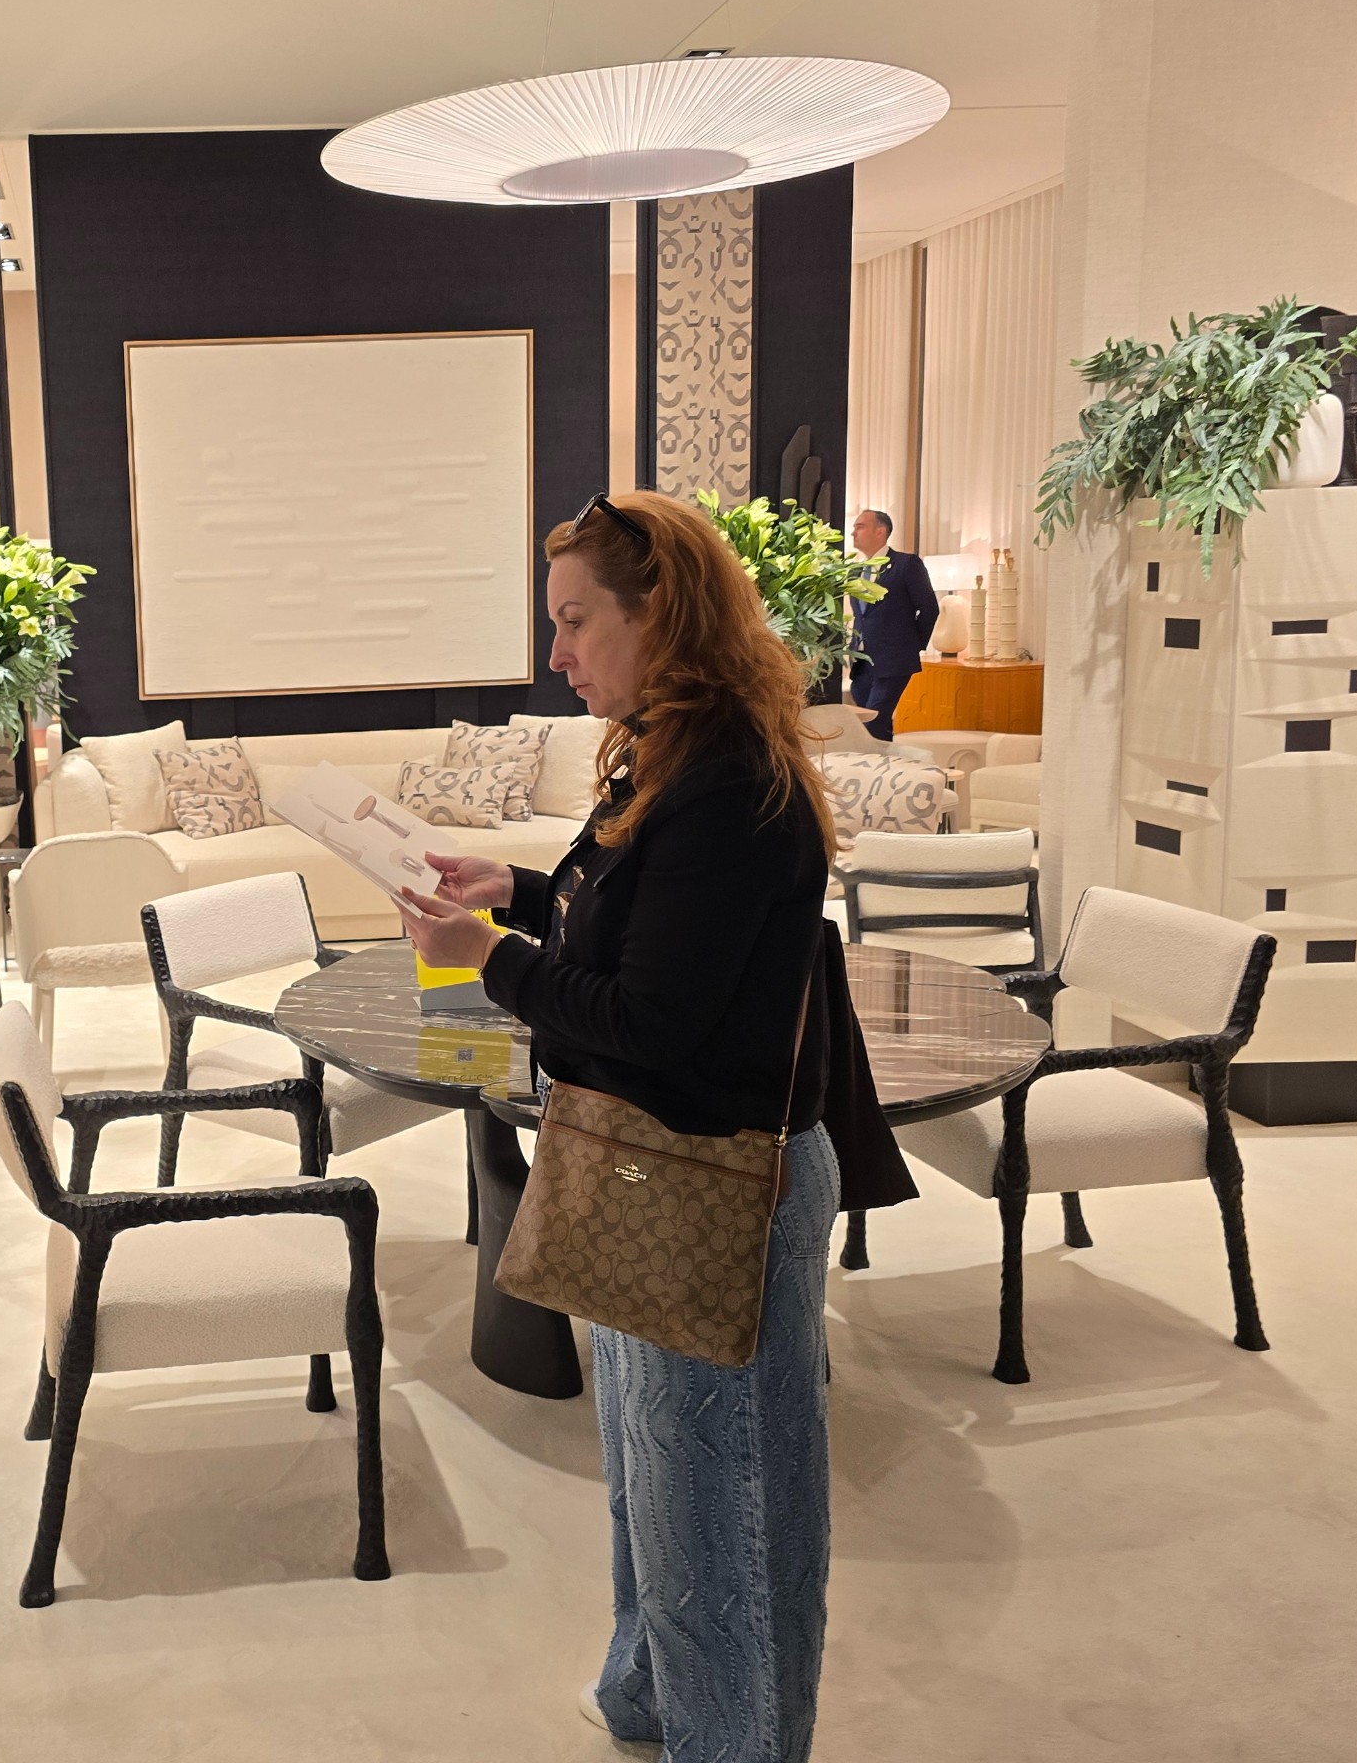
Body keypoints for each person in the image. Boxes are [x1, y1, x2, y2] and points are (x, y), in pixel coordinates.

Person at [394, 489, 841, 1763]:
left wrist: (489, 957)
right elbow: (651, 923)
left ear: (665, 615)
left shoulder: (727, 783)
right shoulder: (674, 755)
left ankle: (735, 1741)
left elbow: (651, 1018)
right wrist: (524, 890)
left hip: (710, 1179)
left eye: (577, 620)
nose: (558, 653)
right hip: (655, 1164)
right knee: (660, 1480)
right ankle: (653, 1695)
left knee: (722, 1501)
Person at [846, 507, 938, 741]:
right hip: (861, 663)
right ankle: (885, 762)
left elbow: (929, 608)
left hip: (892, 661)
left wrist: (912, 645)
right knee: (875, 726)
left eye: (860, 526)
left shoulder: (906, 564)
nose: (853, 532)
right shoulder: (854, 572)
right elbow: (862, 616)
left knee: (872, 724)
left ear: (880, 531)